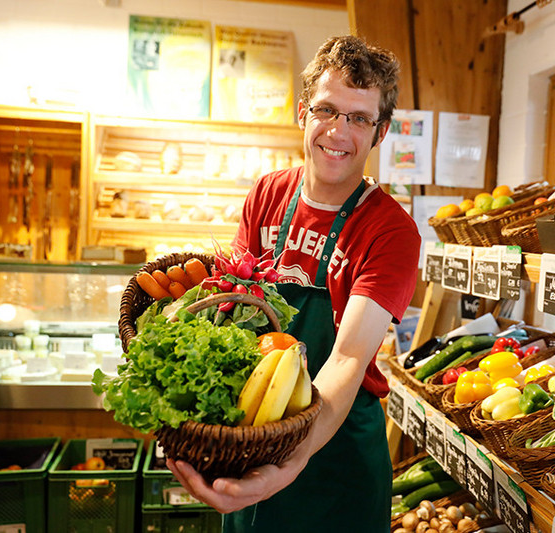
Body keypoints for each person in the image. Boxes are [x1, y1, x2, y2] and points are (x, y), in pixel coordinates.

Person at [168, 35, 421, 532]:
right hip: (252, 426)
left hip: (336, 448)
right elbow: (232, 311)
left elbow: (348, 358)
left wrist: (289, 460)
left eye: (358, 117)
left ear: (380, 132)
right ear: (303, 112)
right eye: (327, 110)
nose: (338, 131)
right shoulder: (267, 193)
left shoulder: (390, 231)